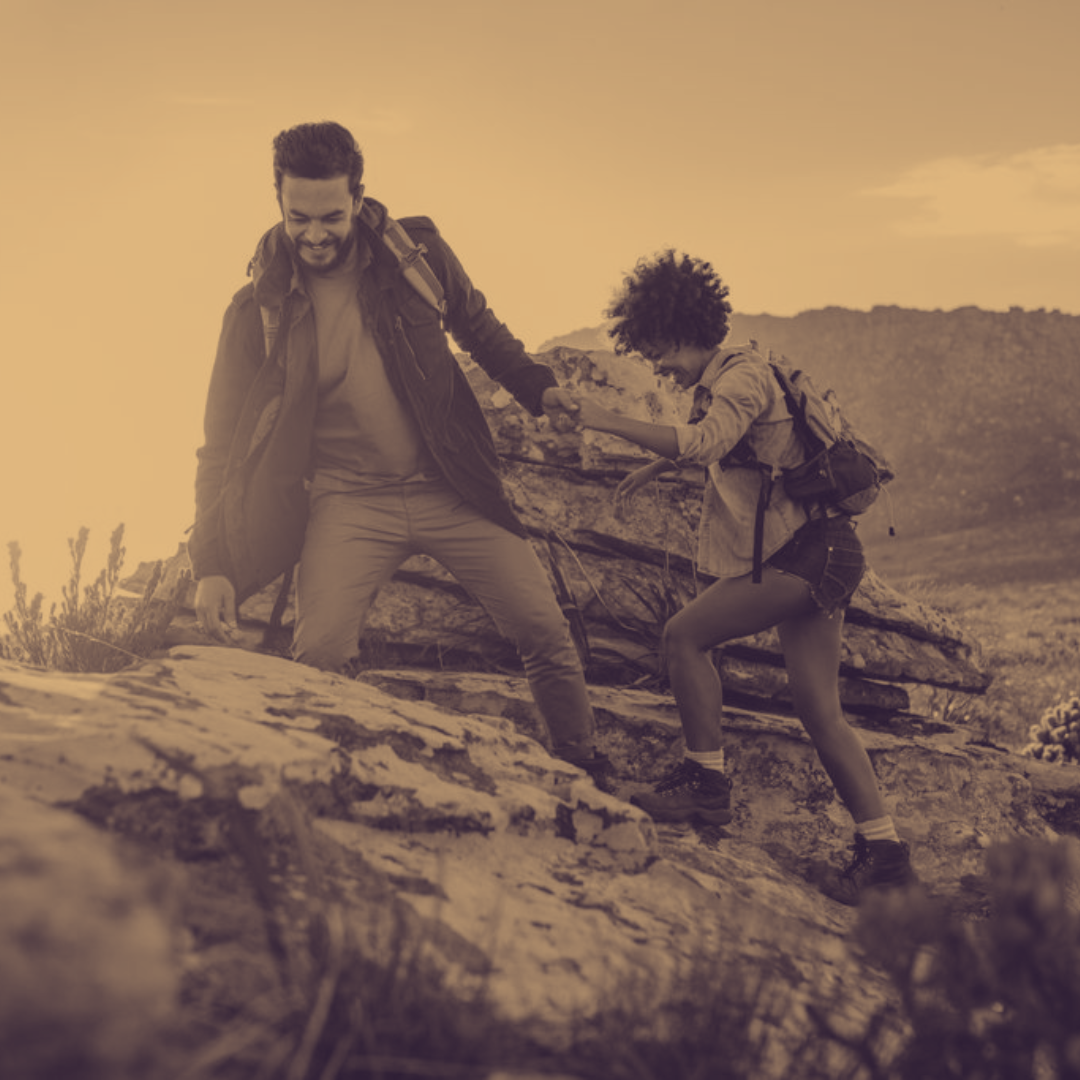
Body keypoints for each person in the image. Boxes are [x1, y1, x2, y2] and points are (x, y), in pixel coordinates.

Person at [188, 121, 607, 779]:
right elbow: (219, 448)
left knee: (544, 632)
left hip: (449, 486)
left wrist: (539, 388)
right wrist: (209, 561)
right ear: (278, 202)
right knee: (319, 653)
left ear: (358, 198)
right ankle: (326, 781)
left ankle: (583, 768)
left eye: (331, 215)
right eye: (298, 217)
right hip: (347, 501)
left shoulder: (419, 257)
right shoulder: (253, 312)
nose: (315, 234)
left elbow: (480, 329)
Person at [565, 250, 916, 903]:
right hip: (823, 552)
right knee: (820, 711)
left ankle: (706, 787)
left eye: (656, 351)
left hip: (809, 555)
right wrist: (653, 469)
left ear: (680, 329)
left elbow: (704, 441)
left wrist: (602, 419)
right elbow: (736, 447)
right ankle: (887, 854)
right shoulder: (730, 375)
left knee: (683, 637)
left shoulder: (743, 378)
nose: (656, 367)